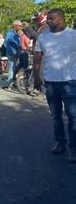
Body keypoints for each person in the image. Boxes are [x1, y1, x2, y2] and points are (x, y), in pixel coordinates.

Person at [33, 9, 76, 163]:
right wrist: (36, 76)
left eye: (52, 19)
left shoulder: (73, 35)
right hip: (51, 82)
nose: (48, 21)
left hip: (71, 81)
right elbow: (37, 58)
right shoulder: (43, 37)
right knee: (55, 115)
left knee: (73, 116)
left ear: (61, 19)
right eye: (48, 19)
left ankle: (74, 148)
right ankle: (60, 143)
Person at [4, 20, 22, 87]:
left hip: (17, 53)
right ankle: (10, 83)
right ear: (15, 25)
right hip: (12, 53)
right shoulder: (10, 33)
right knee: (11, 68)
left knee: (15, 68)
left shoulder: (16, 33)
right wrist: (14, 51)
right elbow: (7, 41)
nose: (20, 27)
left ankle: (13, 81)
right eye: (19, 26)